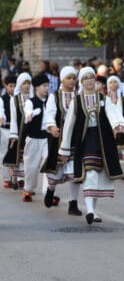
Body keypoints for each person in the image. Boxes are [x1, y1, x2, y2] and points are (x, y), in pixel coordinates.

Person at [59, 67, 124, 224]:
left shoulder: (102, 98)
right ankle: (89, 210)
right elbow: (69, 125)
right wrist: (64, 148)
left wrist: (118, 125)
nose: (89, 80)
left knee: (100, 175)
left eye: (92, 77)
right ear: (81, 82)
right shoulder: (76, 101)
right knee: (90, 173)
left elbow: (113, 113)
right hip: (85, 141)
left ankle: (93, 211)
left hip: (102, 139)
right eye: (86, 78)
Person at [42, 67, 82, 215]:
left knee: (74, 171)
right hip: (58, 137)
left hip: (75, 137)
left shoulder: (79, 96)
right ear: (62, 79)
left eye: (73, 78)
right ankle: (51, 190)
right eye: (69, 78)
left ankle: (73, 203)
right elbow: (50, 113)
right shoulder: (55, 96)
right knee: (55, 170)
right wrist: (52, 126)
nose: (72, 81)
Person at [22, 74, 51, 202]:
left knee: (48, 163)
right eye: (44, 86)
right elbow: (27, 114)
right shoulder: (30, 102)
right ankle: (28, 189)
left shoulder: (51, 100)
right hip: (33, 138)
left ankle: (47, 192)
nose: (46, 88)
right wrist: (33, 113)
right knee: (31, 166)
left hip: (47, 137)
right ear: (36, 88)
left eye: (47, 86)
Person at [4, 73, 33, 189]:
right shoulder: (14, 100)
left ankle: (24, 181)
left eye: (28, 83)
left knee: (27, 157)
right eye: (24, 83)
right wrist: (13, 135)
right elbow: (14, 118)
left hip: (30, 132)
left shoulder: (33, 98)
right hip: (19, 131)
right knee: (17, 155)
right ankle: (15, 178)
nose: (26, 86)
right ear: (20, 85)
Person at [0, 75, 16, 187]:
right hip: (5, 128)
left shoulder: (18, 99)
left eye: (15, 86)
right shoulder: (2, 99)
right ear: (6, 86)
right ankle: (6, 178)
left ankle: (17, 177)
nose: (13, 88)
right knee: (4, 153)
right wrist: (2, 117)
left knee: (18, 154)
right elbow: (1, 110)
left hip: (16, 130)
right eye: (11, 86)